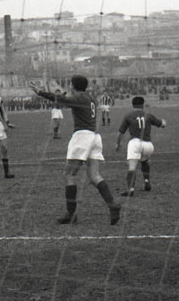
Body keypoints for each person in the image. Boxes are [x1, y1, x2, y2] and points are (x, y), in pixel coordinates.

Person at [30, 75, 121, 225]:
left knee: (69, 174)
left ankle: (71, 214)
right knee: (94, 175)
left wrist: (40, 92)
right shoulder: (90, 98)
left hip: (82, 136)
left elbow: (60, 99)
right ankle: (112, 204)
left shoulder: (79, 98)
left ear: (73, 86)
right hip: (94, 137)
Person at [115, 96, 166, 196]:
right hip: (148, 145)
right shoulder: (148, 115)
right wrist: (164, 121)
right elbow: (162, 125)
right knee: (144, 161)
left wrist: (118, 143)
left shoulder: (128, 115)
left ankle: (130, 189)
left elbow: (120, 132)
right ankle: (147, 181)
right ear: (142, 105)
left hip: (135, 143)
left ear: (132, 105)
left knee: (132, 166)